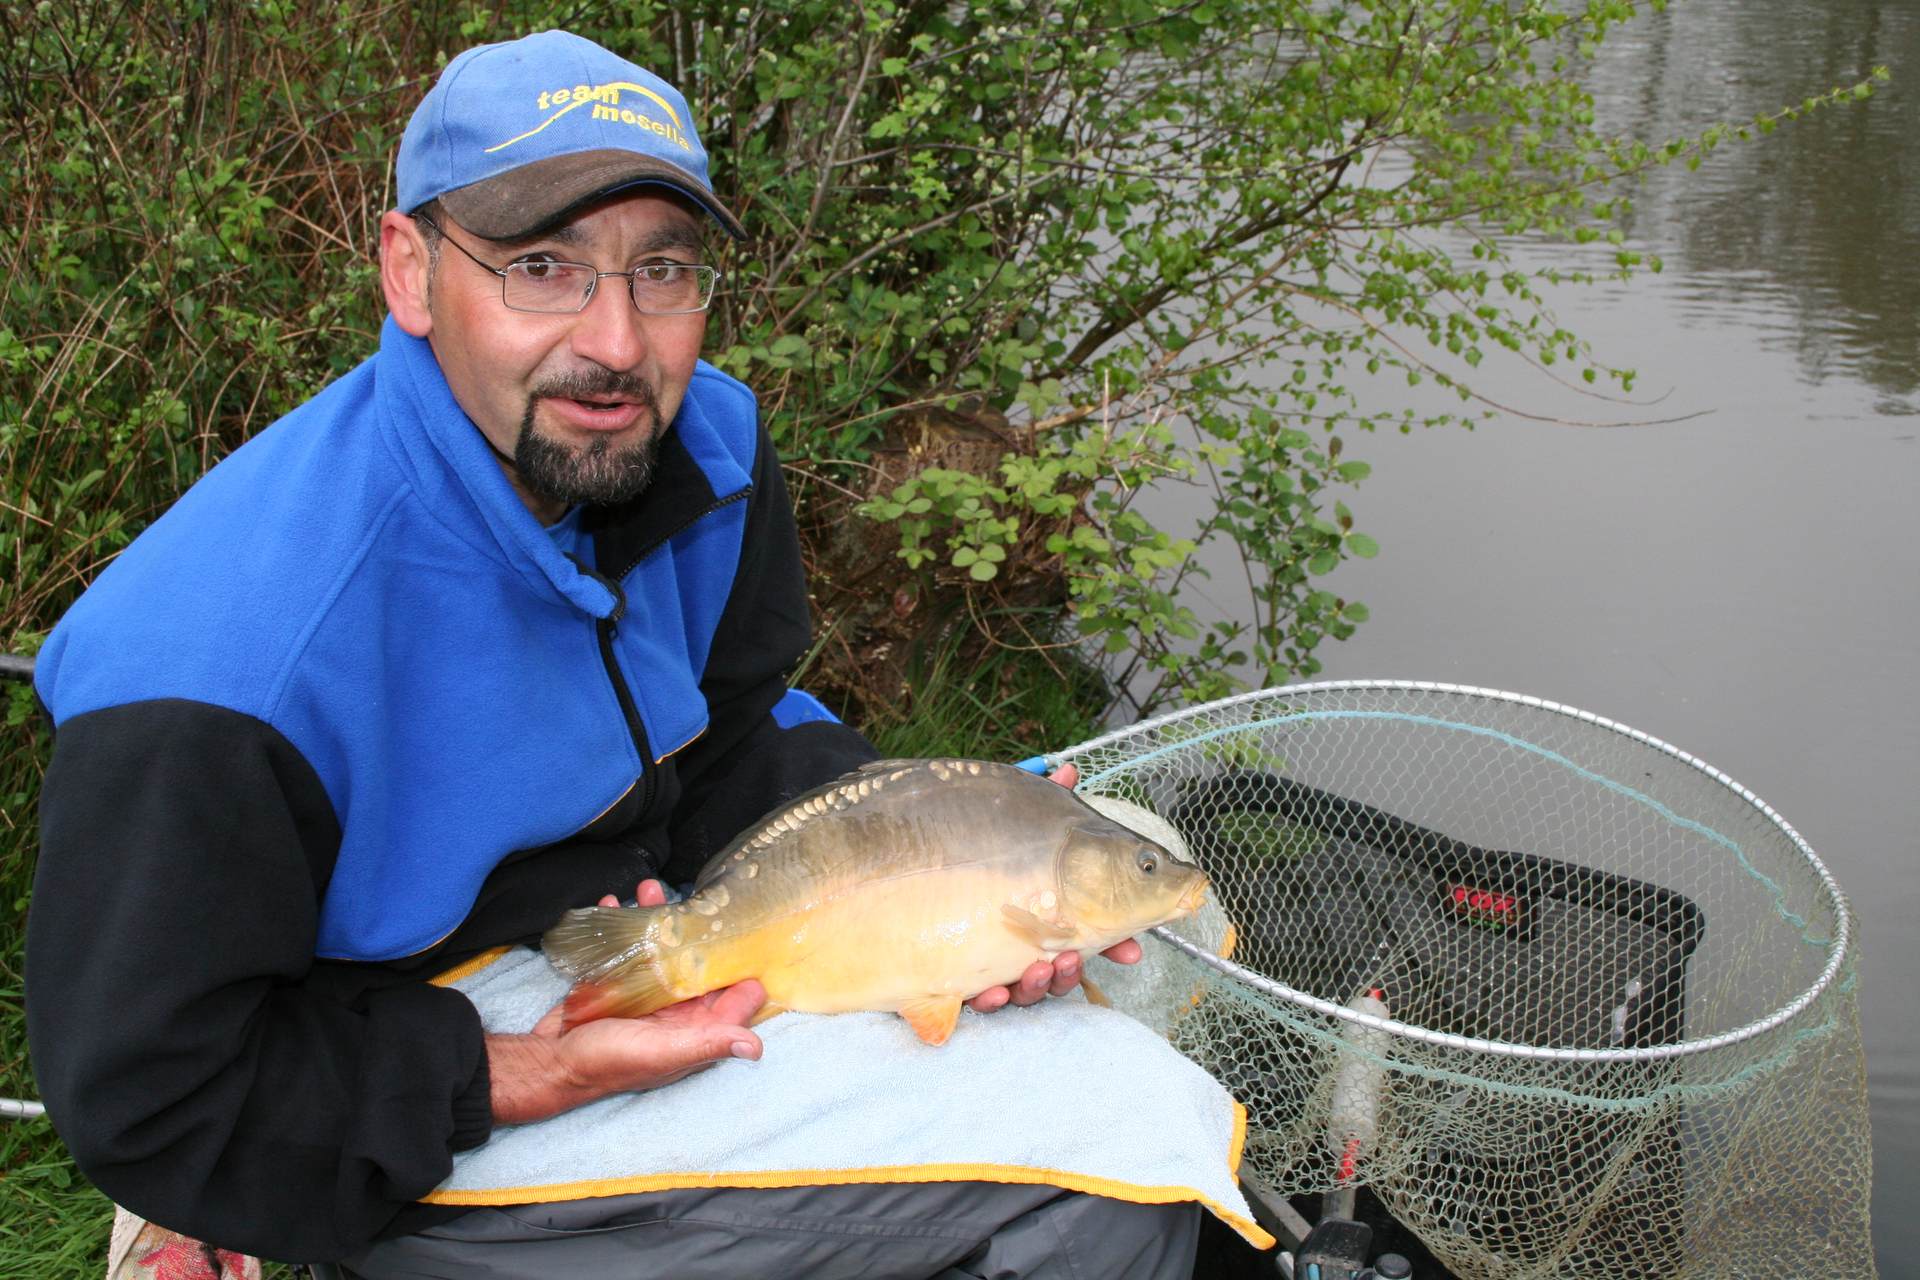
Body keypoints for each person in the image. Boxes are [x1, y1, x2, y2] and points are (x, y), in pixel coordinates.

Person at [25, 29, 1197, 1279]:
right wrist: (522, 1072)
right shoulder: (218, 665)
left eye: (663, 270)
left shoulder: (711, 449)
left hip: (632, 923)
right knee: (1114, 1174)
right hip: (381, 1061)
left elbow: (733, 727)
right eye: (542, 266)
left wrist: (931, 862)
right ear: (409, 272)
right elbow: (149, 1097)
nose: (619, 345)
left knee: (1129, 892)